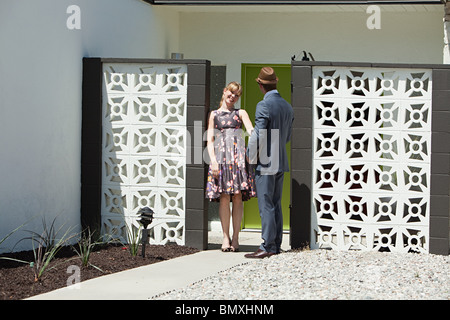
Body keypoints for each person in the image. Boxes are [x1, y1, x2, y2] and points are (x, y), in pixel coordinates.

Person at [245, 67, 294, 259]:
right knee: (275, 203)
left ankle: (267, 245)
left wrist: (249, 156)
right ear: (275, 83)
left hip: (265, 162)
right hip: (281, 159)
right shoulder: (287, 106)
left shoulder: (263, 105)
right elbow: (287, 137)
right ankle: (276, 245)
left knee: (265, 204)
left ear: (260, 85)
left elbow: (258, 135)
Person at [206, 81, 256, 252]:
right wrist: (213, 160)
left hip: (238, 159)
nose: (233, 97)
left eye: (237, 95)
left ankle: (236, 238)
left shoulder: (240, 113)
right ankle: (225, 237)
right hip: (220, 159)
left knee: (237, 197)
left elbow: (251, 130)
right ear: (225, 91)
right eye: (231, 92)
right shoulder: (214, 114)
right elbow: (210, 140)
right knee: (224, 197)